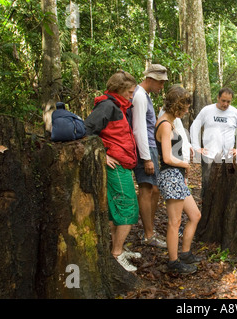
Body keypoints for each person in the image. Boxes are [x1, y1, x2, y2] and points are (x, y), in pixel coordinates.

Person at [84, 70, 140, 272]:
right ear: (119, 90)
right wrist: (103, 155)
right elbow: (86, 130)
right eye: (130, 92)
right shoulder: (107, 105)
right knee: (128, 207)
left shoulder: (118, 106)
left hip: (123, 165)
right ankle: (116, 255)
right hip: (116, 165)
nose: (132, 96)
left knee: (118, 209)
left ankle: (118, 248)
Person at [155, 86, 202, 274]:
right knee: (174, 222)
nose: (187, 110)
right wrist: (185, 165)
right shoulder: (165, 124)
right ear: (178, 105)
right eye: (186, 107)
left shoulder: (171, 122)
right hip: (170, 175)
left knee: (195, 215)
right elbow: (166, 158)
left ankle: (185, 253)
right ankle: (173, 262)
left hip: (177, 176)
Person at [130, 64, 168, 248]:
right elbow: (138, 129)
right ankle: (148, 234)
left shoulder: (144, 96)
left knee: (154, 189)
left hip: (151, 147)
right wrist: (146, 158)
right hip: (144, 149)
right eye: (160, 82)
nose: (161, 86)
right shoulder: (139, 96)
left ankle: (149, 229)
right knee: (146, 189)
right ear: (150, 79)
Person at [190, 87, 237, 196]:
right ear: (218, 98)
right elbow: (194, 127)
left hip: (228, 157)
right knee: (208, 184)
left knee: (227, 185)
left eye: (228, 101)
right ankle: (205, 208)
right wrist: (196, 147)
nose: (225, 104)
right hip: (209, 155)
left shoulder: (235, 113)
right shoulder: (207, 110)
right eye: (223, 100)